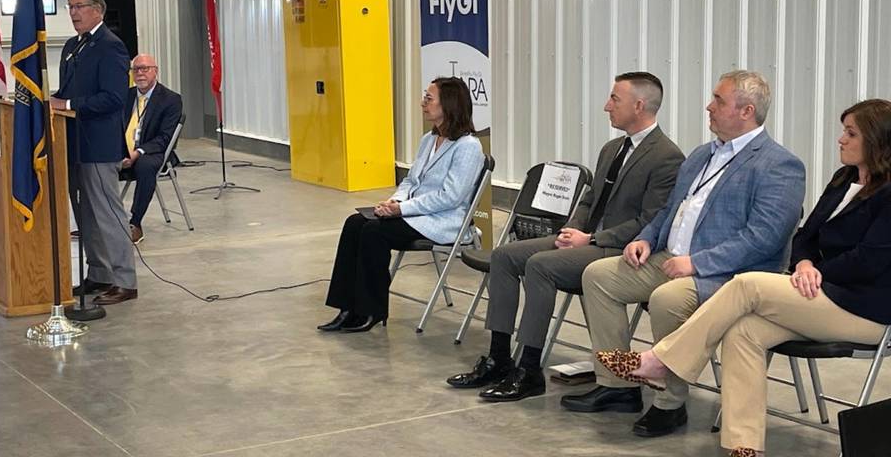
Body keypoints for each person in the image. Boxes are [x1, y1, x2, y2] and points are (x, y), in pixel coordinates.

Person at [596, 98, 891, 457]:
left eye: (851, 133)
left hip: (863, 310)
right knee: (743, 331)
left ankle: (662, 361)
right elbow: (805, 237)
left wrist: (816, 272)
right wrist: (803, 264)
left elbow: (870, 260)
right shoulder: (843, 180)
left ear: (877, 139)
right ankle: (744, 446)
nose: (841, 139)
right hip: (815, 293)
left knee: (748, 284)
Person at [561, 70, 806, 438]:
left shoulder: (779, 164)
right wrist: (646, 238)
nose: (709, 106)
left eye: (719, 100)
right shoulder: (702, 154)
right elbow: (670, 209)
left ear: (747, 111)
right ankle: (618, 387)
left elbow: (764, 238)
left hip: (729, 274)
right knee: (599, 276)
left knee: (667, 299)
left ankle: (669, 403)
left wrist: (697, 263)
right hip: (670, 258)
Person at [445, 72, 684, 402]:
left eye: (615, 99)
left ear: (639, 105)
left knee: (540, 266)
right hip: (586, 239)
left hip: (616, 248)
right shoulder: (612, 148)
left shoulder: (667, 156)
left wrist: (591, 239)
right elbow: (589, 199)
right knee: (504, 256)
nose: (607, 106)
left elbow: (650, 221)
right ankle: (499, 357)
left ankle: (529, 369)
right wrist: (572, 230)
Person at [318, 77, 486, 333]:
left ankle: (370, 310)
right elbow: (411, 181)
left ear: (449, 104)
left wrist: (402, 209)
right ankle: (347, 308)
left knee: (374, 232)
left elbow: (450, 197)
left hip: (442, 220)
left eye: (429, 99)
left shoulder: (468, 147)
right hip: (415, 213)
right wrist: (394, 201)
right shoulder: (428, 140)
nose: (423, 103)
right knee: (354, 223)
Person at [50, 0, 137, 306]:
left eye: (79, 6)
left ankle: (125, 279)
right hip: (72, 143)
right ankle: (99, 273)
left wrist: (67, 103)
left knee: (107, 213)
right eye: (70, 7)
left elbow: (113, 98)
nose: (73, 13)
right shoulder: (74, 46)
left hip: (99, 144)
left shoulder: (111, 47)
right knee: (85, 214)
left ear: (97, 10)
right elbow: (68, 90)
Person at [119, 54, 183, 244]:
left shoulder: (171, 99)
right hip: (123, 149)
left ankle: (135, 223)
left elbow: (164, 138)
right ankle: (100, 222)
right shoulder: (125, 96)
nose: (140, 73)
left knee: (145, 166)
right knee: (94, 164)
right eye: (136, 69)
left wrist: (137, 153)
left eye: (145, 69)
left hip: (152, 151)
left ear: (156, 71)